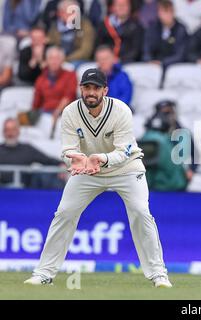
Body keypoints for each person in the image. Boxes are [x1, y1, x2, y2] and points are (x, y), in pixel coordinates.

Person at [24, 68, 172, 288]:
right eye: (86, 87)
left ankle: (158, 274)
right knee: (64, 213)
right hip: (87, 171)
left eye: (95, 88)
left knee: (141, 213)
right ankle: (44, 273)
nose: (90, 93)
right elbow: (67, 149)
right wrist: (73, 159)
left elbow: (124, 151)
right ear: (81, 89)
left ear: (105, 90)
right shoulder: (70, 112)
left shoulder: (121, 110)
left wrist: (100, 159)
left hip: (126, 168)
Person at [0, 118, 66, 189]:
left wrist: (61, 165)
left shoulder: (27, 149)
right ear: (3, 132)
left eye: (13, 130)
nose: (10, 133)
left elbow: (48, 160)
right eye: (7, 130)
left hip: (25, 191)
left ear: (18, 131)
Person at [32, 46, 78, 123]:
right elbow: (36, 103)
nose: (54, 61)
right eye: (51, 58)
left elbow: (69, 96)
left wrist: (58, 111)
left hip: (65, 114)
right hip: (45, 114)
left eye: (57, 58)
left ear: (62, 60)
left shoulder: (71, 75)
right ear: (46, 61)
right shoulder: (40, 79)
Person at [47, 0, 95, 66]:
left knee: (70, 67)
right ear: (59, 13)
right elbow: (51, 44)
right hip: (58, 60)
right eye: (67, 12)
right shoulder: (54, 27)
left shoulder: (85, 26)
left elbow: (86, 51)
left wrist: (66, 59)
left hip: (78, 60)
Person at [142, 0, 188, 69]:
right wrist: (149, 60)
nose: (167, 15)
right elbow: (146, 49)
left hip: (173, 67)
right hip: (152, 66)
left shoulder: (180, 29)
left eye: (169, 12)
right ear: (158, 13)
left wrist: (162, 62)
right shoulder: (153, 28)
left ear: (173, 12)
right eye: (163, 12)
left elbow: (180, 55)